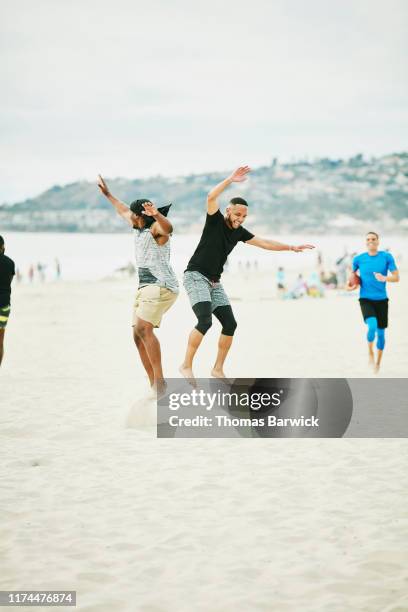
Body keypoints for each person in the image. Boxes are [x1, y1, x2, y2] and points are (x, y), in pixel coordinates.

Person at [179, 166, 314, 381]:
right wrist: (230, 179)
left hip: (215, 282)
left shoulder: (239, 232)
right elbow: (211, 196)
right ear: (228, 211)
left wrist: (291, 247)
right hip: (195, 275)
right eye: (238, 214)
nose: (241, 218)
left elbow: (265, 243)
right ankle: (186, 365)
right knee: (205, 321)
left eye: (244, 216)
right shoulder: (214, 221)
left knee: (230, 324)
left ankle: (217, 369)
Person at [97, 175, 178, 394]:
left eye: (132, 214)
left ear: (139, 216)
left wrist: (157, 214)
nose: (128, 216)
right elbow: (122, 209)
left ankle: (161, 383)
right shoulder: (138, 228)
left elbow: (168, 229)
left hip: (161, 285)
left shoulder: (155, 231)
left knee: (144, 328)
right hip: (146, 287)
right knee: (137, 335)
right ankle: (154, 384)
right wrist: (108, 194)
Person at [349, 231, 399, 373]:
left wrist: (385, 278)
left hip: (382, 300)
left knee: (381, 334)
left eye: (373, 239)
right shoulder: (358, 259)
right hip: (365, 299)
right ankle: (370, 350)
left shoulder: (386, 257)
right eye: (368, 239)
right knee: (372, 326)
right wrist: (349, 286)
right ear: (365, 242)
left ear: (378, 241)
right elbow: (351, 278)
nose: (371, 241)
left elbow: (396, 277)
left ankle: (378, 362)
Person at [0, 236, 16, 366]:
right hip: (4, 306)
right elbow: (8, 282)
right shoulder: (10, 263)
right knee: (0, 340)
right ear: (3, 247)